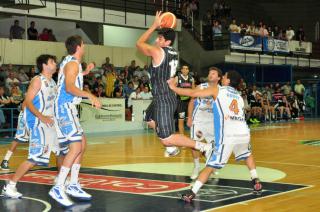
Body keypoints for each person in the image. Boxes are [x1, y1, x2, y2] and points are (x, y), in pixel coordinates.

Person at [167, 70, 263, 202]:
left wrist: (173, 87)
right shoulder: (239, 97)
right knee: (247, 154)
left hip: (228, 135)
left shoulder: (218, 90)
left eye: (224, 76)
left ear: (228, 81)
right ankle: (255, 179)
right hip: (243, 132)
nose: (223, 78)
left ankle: (192, 192)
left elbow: (193, 93)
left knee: (211, 164)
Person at [136, 11, 212, 157]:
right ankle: (171, 148)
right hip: (163, 96)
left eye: (159, 38)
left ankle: (203, 146)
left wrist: (153, 26)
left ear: (167, 42)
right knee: (149, 119)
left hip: (164, 98)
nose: (156, 41)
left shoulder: (159, 52)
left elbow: (139, 44)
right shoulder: (173, 52)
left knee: (167, 138)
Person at [49, 35, 101, 207]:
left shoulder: (71, 63)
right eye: (83, 44)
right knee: (76, 146)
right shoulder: (72, 64)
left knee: (82, 144)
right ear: (79, 46)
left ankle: (72, 184)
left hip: (67, 108)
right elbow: (69, 87)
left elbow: (70, 78)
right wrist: (90, 94)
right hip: (64, 107)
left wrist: (85, 72)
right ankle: (59, 186)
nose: (84, 47)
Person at [1, 54, 59, 198]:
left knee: (62, 151)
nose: (55, 63)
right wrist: (42, 116)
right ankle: (10, 186)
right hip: (39, 124)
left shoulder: (52, 82)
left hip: (50, 124)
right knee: (34, 158)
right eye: (52, 62)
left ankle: (61, 179)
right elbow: (27, 102)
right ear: (45, 65)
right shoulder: (37, 81)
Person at [187, 67, 221, 180]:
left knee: (214, 146)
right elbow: (192, 101)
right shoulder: (201, 87)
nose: (210, 75)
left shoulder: (221, 90)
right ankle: (196, 167)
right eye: (209, 73)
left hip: (213, 121)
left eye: (213, 73)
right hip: (199, 120)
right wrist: (189, 117)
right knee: (195, 144)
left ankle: (211, 165)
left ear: (218, 78)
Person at [0, 101, 28, 170]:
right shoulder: (34, 91)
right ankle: (5, 161)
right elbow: (24, 104)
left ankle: (34, 160)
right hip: (27, 116)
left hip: (37, 117)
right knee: (18, 139)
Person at [175, 65, 195, 135]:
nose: (185, 70)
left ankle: (193, 137)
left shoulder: (191, 79)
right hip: (180, 102)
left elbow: (194, 91)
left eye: (187, 69)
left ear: (188, 70)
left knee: (192, 119)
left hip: (189, 102)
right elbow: (173, 89)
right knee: (181, 120)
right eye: (184, 69)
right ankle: (182, 138)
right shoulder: (177, 78)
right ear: (181, 70)